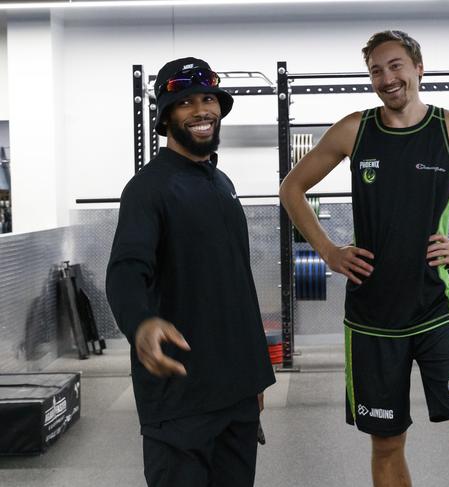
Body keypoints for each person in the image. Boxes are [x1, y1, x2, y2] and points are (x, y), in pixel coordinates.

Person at [279, 31, 449, 487]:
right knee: (388, 444)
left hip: (438, 312)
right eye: (376, 70)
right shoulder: (355, 130)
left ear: (418, 67)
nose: (387, 78)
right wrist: (328, 251)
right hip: (372, 318)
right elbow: (291, 188)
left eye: (395, 66)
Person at [106, 57, 275, 487]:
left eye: (208, 100)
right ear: (166, 117)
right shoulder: (149, 188)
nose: (202, 110)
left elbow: (235, 283)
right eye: (186, 103)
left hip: (235, 393)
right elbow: (126, 269)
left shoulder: (222, 183)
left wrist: (251, 374)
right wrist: (140, 323)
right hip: (180, 398)